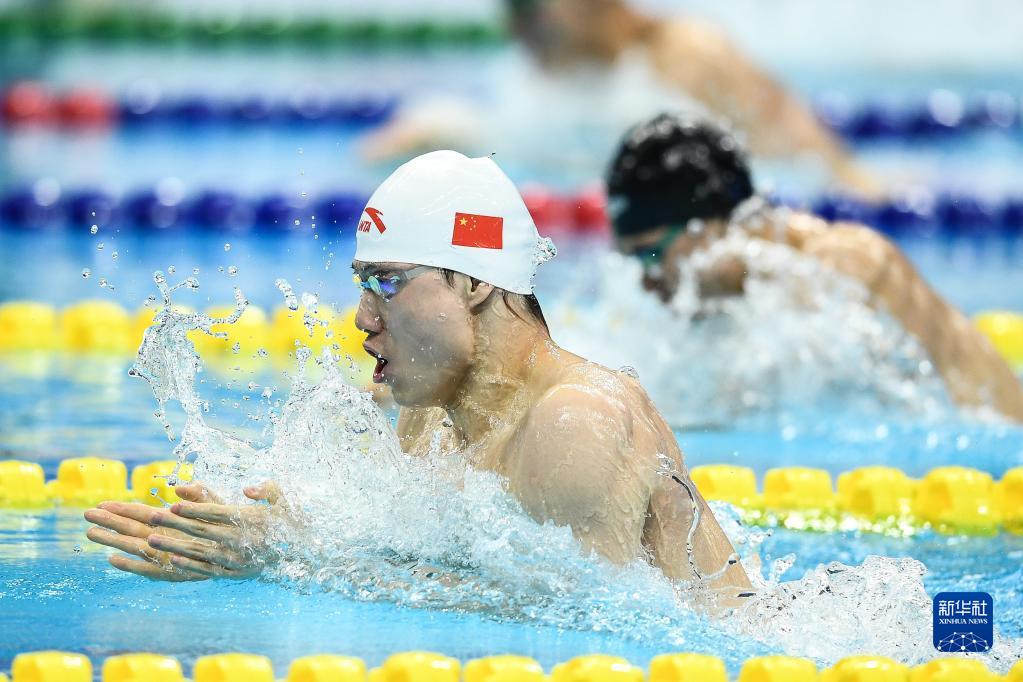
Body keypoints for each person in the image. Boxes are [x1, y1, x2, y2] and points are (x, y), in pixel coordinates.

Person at [84, 151, 752, 603]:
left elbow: (585, 624)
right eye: (362, 283)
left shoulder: (574, 419)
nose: (361, 318)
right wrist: (251, 535)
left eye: (387, 283)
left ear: (473, 282)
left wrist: (295, 559)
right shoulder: (429, 415)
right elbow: (442, 568)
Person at [606, 112, 1023, 421]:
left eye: (650, 254)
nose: (645, 282)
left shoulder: (843, 263)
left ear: (708, 229)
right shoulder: (748, 295)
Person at [364, 0, 878, 196]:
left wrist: (855, 184)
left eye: (528, 8)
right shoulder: (546, 75)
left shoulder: (686, 52)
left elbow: (800, 151)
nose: (517, 27)